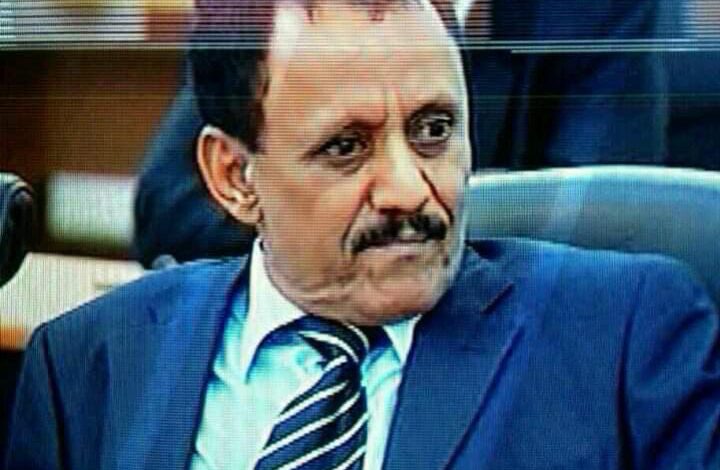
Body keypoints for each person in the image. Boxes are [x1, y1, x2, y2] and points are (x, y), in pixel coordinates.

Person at [5, 1, 720, 469]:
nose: (409, 189)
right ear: (233, 177)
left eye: (434, 130)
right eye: (346, 147)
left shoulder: (625, 338)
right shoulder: (85, 367)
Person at [133, 0, 677, 266]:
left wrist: (324, 200)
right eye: (343, 146)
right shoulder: (284, 15)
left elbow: (594, 224)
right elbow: (171, 207)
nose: (405, 190)